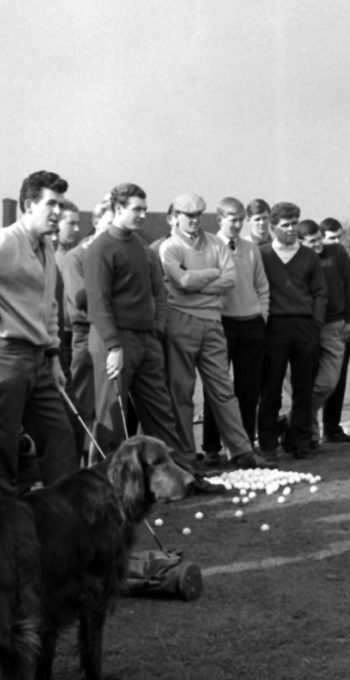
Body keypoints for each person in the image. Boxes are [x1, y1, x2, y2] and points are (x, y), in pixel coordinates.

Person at [83, 183, 217, 494]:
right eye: (136, 209)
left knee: (162, 413)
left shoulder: (143, 248)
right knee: (111, 419)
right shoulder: (101, 249)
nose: (143, 214)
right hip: (113, 341)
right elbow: (98, 301)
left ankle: (183, 479)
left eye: (145, 209)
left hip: (146, 341)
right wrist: (115, 347)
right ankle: (103, 491)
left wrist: (155, 330)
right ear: (117, 210)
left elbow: (160, 293)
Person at [0, 170, 78, 502]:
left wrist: (53, 355)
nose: (57, 212)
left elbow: (49, 306)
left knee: (60, 436)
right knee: (0, 444)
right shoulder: (3, 241)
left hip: (39, 359)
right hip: (2, 354)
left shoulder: (47, 246)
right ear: (28, 204)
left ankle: (62, 520)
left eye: (60, 204)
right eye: (50, 203)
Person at [158, 193, 268, 469]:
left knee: (223, 391)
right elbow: (181, 280)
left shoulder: (217, 243)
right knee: (182, 392)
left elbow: (229, 280)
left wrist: (194, 283)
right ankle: (184, 456)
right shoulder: (169, 248)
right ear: (176, 217)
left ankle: (241, 451)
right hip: (181, 322)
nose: (194, 220)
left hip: (213, 323)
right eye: (188, 215)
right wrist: (210, 275)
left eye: (198, 215)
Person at [256, 204, 326, 459]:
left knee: (303, 388)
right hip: (274, 326)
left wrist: (316, 324)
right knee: (271, 387)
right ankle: (267, 443)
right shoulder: (262, 254)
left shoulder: (309, 256)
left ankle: (300, 441)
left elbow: (319, 293)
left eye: (294, 223)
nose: (291, 229)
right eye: (285, 224)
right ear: (273, 227)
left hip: (304, 327)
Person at [205, 196, 270, 458]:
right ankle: (211, 448)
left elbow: (262, 287)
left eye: (241, 219)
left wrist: (261, 316)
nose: (238, 224)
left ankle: (243, 448)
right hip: (221, 326)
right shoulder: (208, 246)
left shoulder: (251, 249)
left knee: (248, 390)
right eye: (233, 219)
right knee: (218, 388)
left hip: (251, 326)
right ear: (220, 219)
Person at [62, 195, 112, 462]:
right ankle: (78, 465)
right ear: (96, 221)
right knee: (84, 406)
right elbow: (80, 299)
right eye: (109, 221)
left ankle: (101, 463)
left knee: (109, 409)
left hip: (113, 337)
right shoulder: (76, 257)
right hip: (85, 336)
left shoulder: (116, 255)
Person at [301, 218, 350, 447]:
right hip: (307, 328)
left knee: (329, 383)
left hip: (335, 326)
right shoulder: (299, 259)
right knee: (304, 381)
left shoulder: (338, 253)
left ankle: (304, 420)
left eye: (319, 240)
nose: (318, 246)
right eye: (312, 241)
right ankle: (310, 433)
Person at [319, 218, 350, 443]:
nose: (337, 242)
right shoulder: (310, 256)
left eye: (339, 238)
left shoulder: (344, 256)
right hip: (314, 327)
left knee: (337, 379)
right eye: (332, 238)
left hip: (340, 327)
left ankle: (331, 426)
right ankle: (303, 424)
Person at [53, 200, 81, 376]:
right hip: (56, 337)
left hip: (73, 335)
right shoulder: (48, 258)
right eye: (71, 224)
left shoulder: (75, 257)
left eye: (78, 224)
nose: (76, 229)